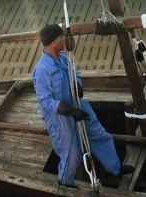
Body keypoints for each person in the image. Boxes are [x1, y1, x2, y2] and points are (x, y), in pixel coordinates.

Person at [32, 24, 133, 187]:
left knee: (99, 134)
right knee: (72, 153)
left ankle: (115, 168)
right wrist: (70, 111)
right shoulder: (42, 69)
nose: (64, 40)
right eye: (60, 37)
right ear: (51, 41)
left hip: (79, 105)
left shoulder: (64, 58)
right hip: (60, 118)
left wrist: (78, 85)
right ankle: (65, 183)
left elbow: (75, 74)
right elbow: (45, 101)